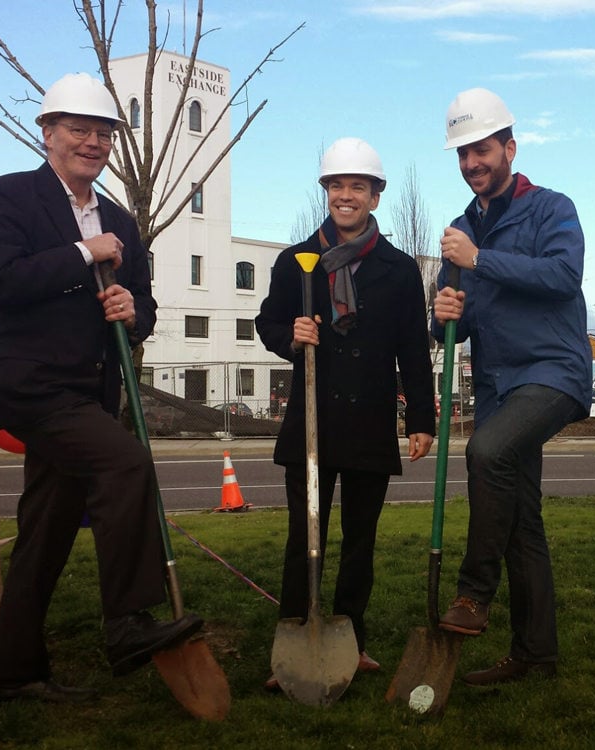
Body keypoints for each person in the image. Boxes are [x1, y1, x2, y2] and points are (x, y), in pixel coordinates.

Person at [0, 73, 202, 703]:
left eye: (103, 133)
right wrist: (81, 252)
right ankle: (127, 622)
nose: (93, 142)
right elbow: (1, 282)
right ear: (48, 133)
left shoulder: (122, 221)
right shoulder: (9, 198)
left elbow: (147, 307)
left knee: (45, 529)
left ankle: (14, 673)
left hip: (89, 391)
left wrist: (133, 311)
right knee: (127, 463)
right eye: (79, 129)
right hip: (32, 386)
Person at [256, 137, 436, 686]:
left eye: (358, 186)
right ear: (326, 194)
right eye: (337, 186)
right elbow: (267, 323)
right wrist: (291, 333)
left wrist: (423, 419)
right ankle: (294, 630)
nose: (346, 195)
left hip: (369, 424)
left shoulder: (400, 269)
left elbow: (412, 348)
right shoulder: (295, 263)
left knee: (360, 539)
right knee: (302, 534)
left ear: (375, 197)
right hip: (311, 422)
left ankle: (350, 638)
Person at [432, 88, 593, 686]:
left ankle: (473, 594)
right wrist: (445, 311)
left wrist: (478, 261)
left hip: (554, 373)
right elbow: (461, 318)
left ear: (508, 148)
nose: (473, 163)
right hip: (499, 388)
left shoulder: (552, 207)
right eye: (463, 155)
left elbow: (561, 276)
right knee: (523, 522)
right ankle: (535, 656)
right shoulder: (460, 229)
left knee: (487, 451)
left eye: (481, 150)